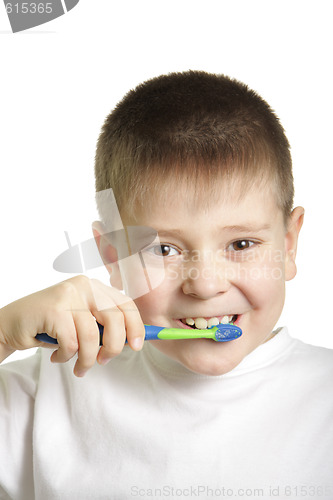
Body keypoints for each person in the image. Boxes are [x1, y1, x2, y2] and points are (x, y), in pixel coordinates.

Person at [0, 71, 332, 500]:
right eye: (164, 250)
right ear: (113, 257)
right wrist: (3, 332)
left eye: (241, 243)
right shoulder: (40, 394)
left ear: (288, 246)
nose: (206, 285)